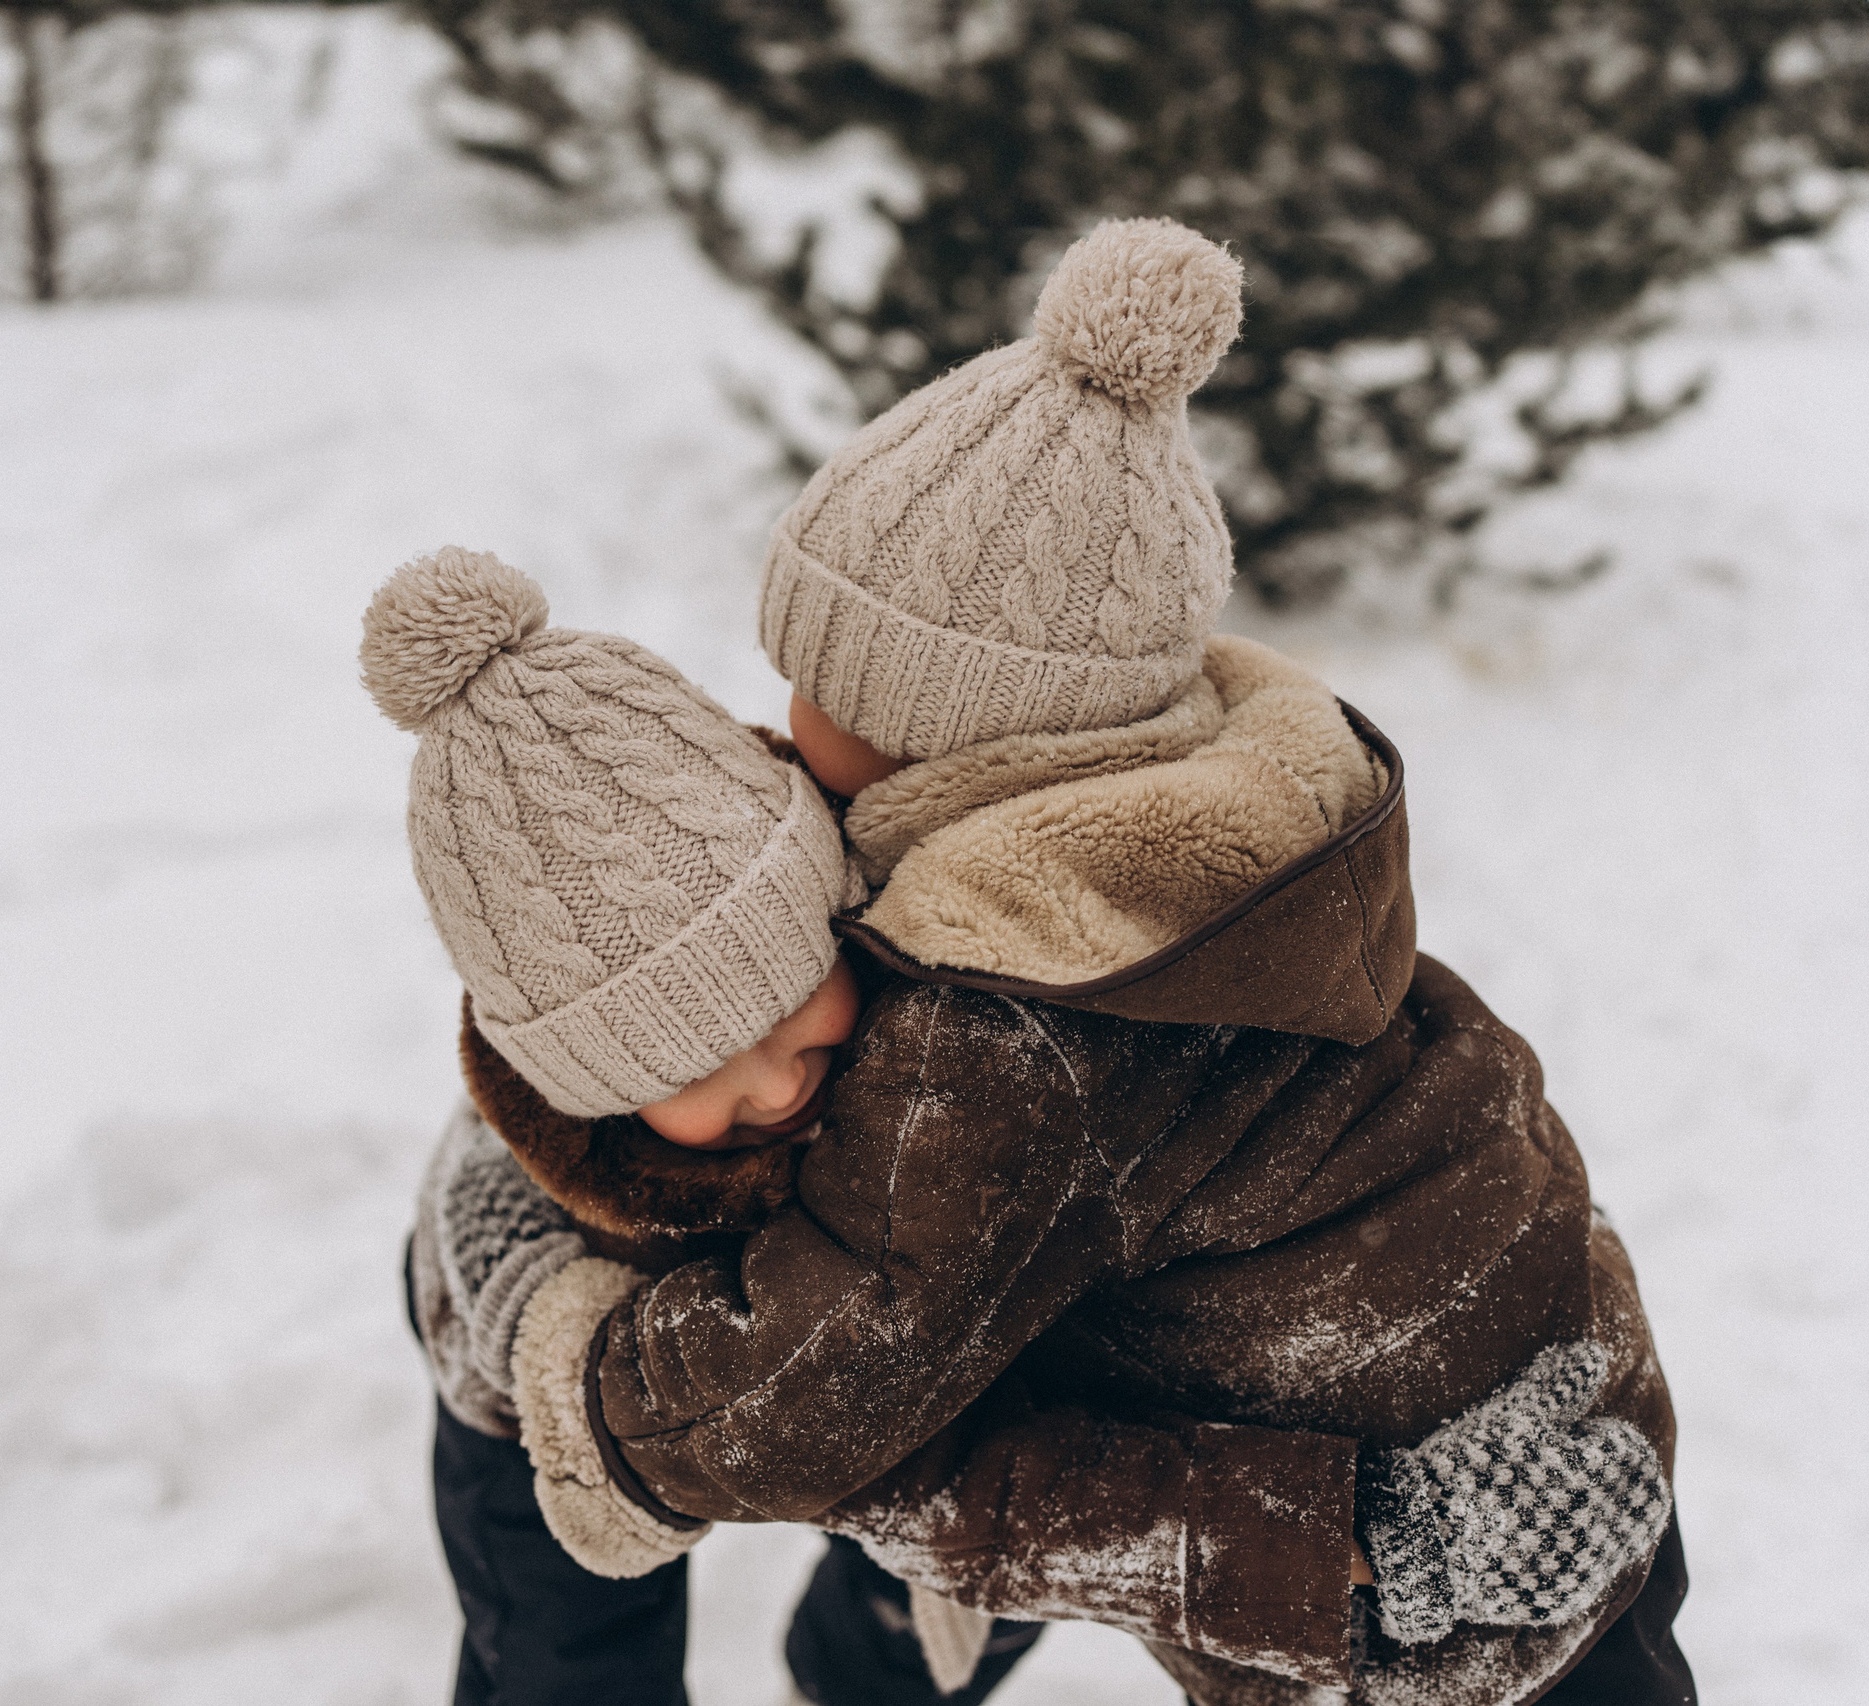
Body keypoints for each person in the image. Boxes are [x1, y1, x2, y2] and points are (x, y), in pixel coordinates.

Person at [466, 218, 1694, 1706]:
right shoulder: (1240, 817)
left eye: (831, 682)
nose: (788, 711)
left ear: (970, 737)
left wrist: (584, 1383)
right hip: (1565, 1389)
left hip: (1418, 1557)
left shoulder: (1012, 1011)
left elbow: (818, 1386)